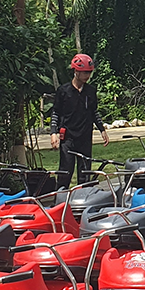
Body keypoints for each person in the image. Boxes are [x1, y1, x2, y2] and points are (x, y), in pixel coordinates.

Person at [50, 54, 109, 189]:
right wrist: (53, 133)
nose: (87, 76)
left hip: (85, 137)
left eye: (89, 72)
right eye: (84, 72)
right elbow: (56, 112)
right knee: (65, 172)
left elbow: (94, 112)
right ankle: (61, 197)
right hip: (68, 138)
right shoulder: (63, 91)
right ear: (76, 71)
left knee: (85, 174)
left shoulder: (90, 91)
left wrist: (102, 129)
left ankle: (83, 198)